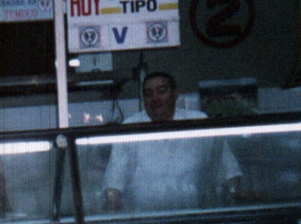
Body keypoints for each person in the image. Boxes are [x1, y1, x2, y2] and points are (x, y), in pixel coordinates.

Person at [102, 69, 243, 212]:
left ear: (175, 94)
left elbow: (227, 168)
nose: (155, 98)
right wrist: (113, 203)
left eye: (161, 91)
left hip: (193, 216)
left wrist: (239, 193)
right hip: (143, 220)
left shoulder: (198, 122)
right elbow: (114, 179)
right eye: (149, 94)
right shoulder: (130, 127)